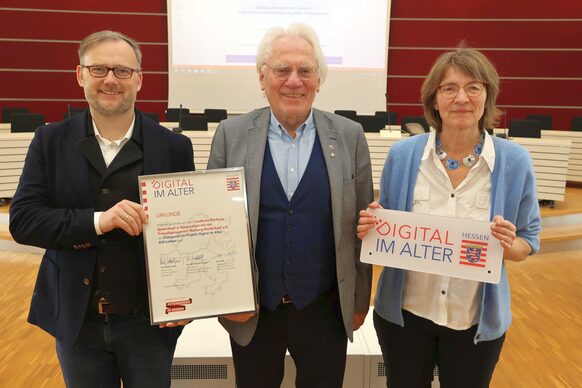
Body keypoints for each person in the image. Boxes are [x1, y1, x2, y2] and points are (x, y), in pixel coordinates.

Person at [9, 30, 194, 388]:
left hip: (149, 326)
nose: (111, 79)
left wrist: (188, 300)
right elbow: (24, 221)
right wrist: (97, 222)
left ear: (139, 80)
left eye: (123, 71)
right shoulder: (49, 141)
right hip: (77, 324)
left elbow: (185, 232)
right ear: (81, 76)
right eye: (99, 70)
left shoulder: (174, 147)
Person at [357, 47, 541, 387]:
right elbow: (388, 231)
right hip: (405, 318)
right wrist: (374, 226)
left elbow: (527, 243)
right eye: (449, 88)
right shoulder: (402, 156)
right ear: (434, 100)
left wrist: (507, 242)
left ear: (487, 96)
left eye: (474, 87)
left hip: (474, 324)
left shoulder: (515, 162)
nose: (462, 98)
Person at [207, 23, 374, 388]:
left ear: (319, 79)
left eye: (305, 71)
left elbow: (364, 228)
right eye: (282, 70)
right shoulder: (230, 135)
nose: (293, 80)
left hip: (324, 309)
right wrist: (222, 299)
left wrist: (360, 300)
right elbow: (212, 225)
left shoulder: (349, 136)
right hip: (251, 311)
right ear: (262, 77)